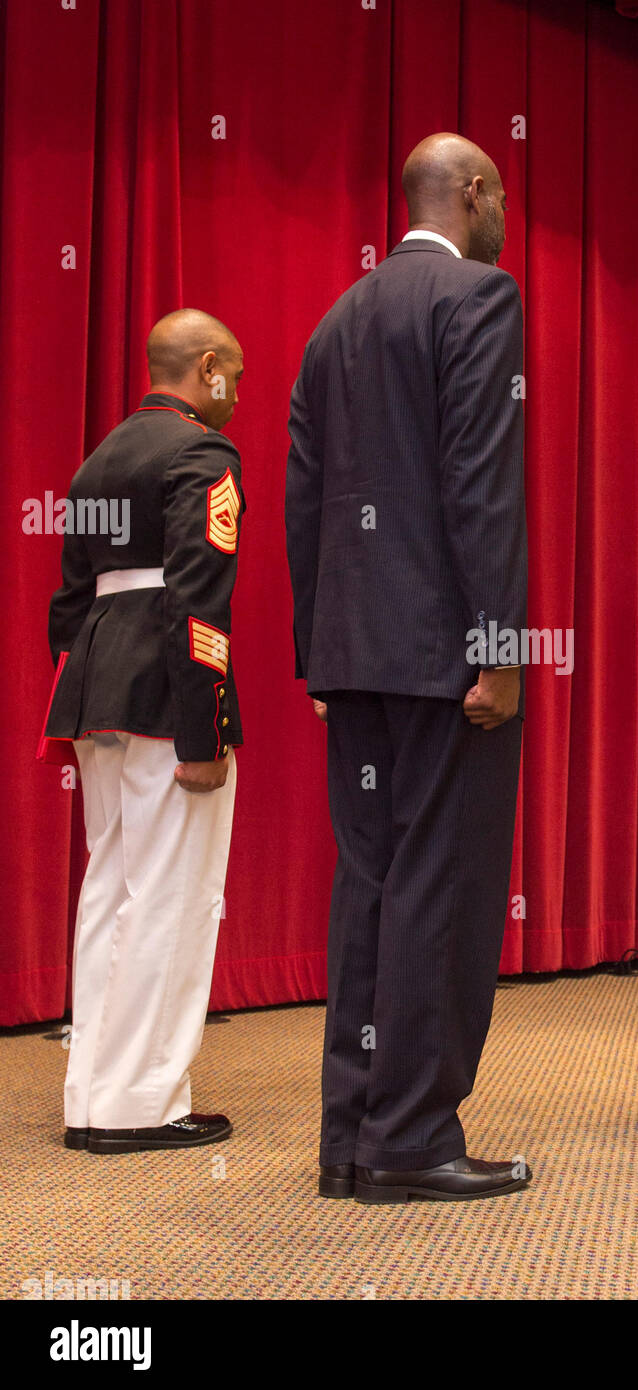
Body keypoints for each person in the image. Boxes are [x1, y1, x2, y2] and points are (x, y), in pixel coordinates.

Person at [286, 133, 531, 1203]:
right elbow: (479, 483)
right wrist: (499, 647)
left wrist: (319, 652)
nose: (503, 221)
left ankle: (351, 1132)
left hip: (355, 654)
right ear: (472, 193)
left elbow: (303, 506)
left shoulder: (332, 320)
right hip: (444, 656)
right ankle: (415, 1136)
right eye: (501, 200)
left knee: (371, 887)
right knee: (443, 883)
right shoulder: (477, 296)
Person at [44, 309, 245, 1153]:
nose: (238, 391)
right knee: (174, 895)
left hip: (95, 689)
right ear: (207, 368)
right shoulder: (203, 453)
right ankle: (143, 1103)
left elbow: (66, 604)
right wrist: (206, 732)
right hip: (167, 695)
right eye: (235, 373)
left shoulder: (98, 459)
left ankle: (92, 1092)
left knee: (110, 890)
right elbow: (198, 602)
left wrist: (89, 678)